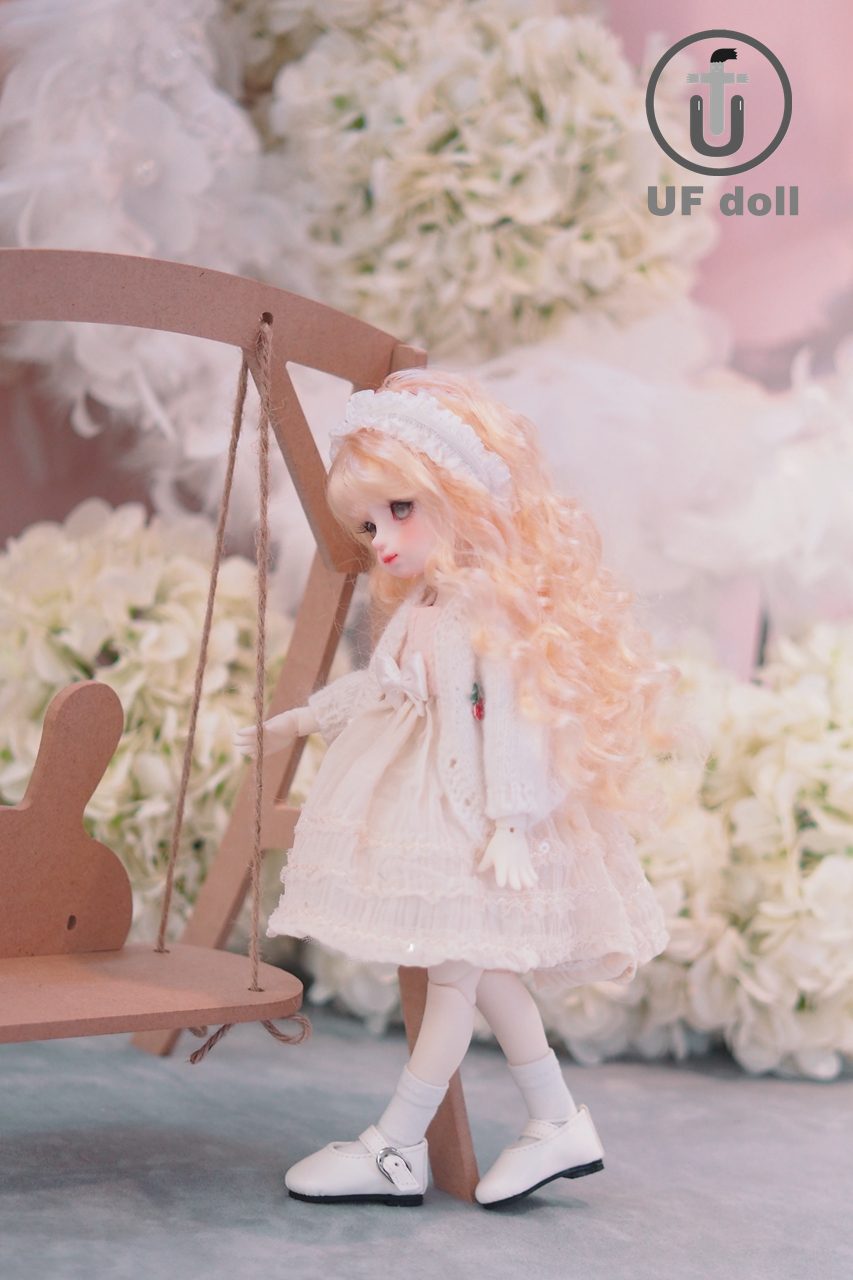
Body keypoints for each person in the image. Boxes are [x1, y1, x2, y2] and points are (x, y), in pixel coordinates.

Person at [235, 370, 669, 1208]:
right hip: (435, 813)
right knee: (479, 974)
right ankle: (554, 1121)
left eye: (401, 510)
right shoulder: (425, 605)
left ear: (465, 497)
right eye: (370, 523)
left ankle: (398, 1146)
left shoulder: (485, 611)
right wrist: (299, 720)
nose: (382, 539)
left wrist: (509, 821)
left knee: (453, 982)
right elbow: (381, 689)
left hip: (475, 823)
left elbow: (514, 724)